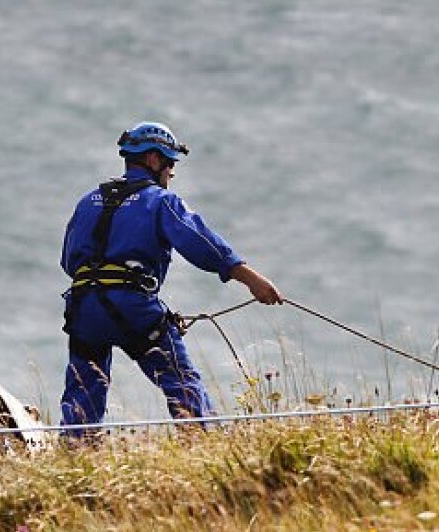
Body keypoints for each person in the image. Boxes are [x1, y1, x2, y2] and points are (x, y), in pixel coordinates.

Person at [60, 121, 282, 444]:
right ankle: (205, 447)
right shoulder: (160, 201)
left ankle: (74, 457)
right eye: (170, 164)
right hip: (133, 307)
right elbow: (200, 243)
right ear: (153, 160)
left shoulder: (87, 201)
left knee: (83, 388)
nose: (171, 174)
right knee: (180, 380)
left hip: (83, 307)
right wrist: (251, 279)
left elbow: (68, 261)